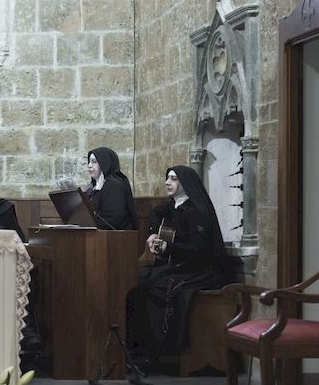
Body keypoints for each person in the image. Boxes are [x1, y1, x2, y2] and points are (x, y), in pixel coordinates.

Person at [125, 165, 228, 368]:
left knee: (157, 286)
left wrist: (168, 247)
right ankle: (137, 346)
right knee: (136, 278)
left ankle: (161, 348)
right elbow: (154, 214)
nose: (167, 182)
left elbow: (198, 248)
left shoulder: (195, 211)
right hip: (179, 265)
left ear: (185, 184)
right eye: (167, 178)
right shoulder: (172, 205)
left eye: (173, 179)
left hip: (199, 270)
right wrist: (153, 234)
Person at [85, 146, 137, 230]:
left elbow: (113, 220)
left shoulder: (114, 185)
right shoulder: (96, 186)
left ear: (105, 163)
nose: (89, 165)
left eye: (94, 162)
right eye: (89, 161)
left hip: (117, 237)